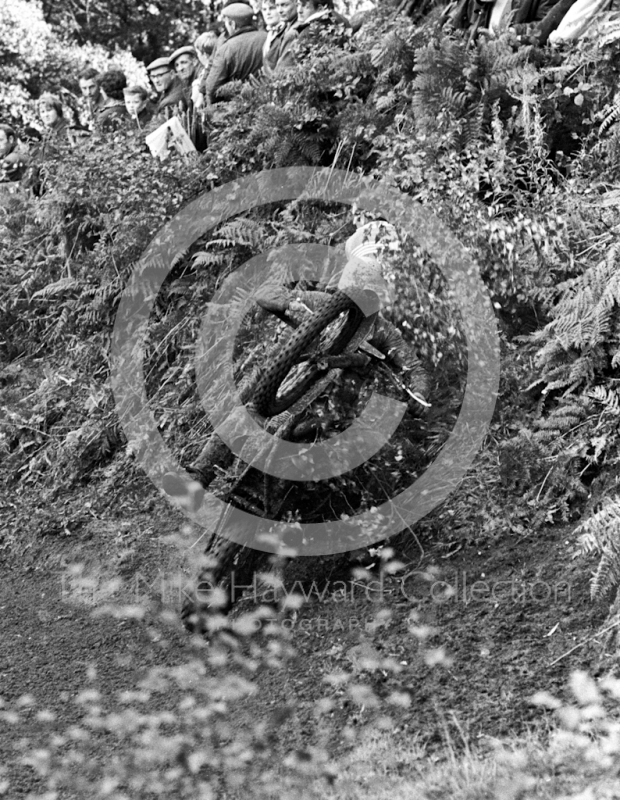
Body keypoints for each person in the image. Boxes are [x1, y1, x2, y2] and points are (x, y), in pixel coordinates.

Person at [204, 3, 267, 104]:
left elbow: (212, 89)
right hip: (266, 104)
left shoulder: (226, 48)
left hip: (237, 109)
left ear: (232, 24)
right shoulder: (267, 37)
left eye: (226, 23)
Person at [263, 0, 298, 76]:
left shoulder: (293, 32)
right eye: (277, 6)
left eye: (284, 5)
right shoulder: (284, 29)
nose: (280, 10)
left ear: (296, 3)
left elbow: (284, 69)